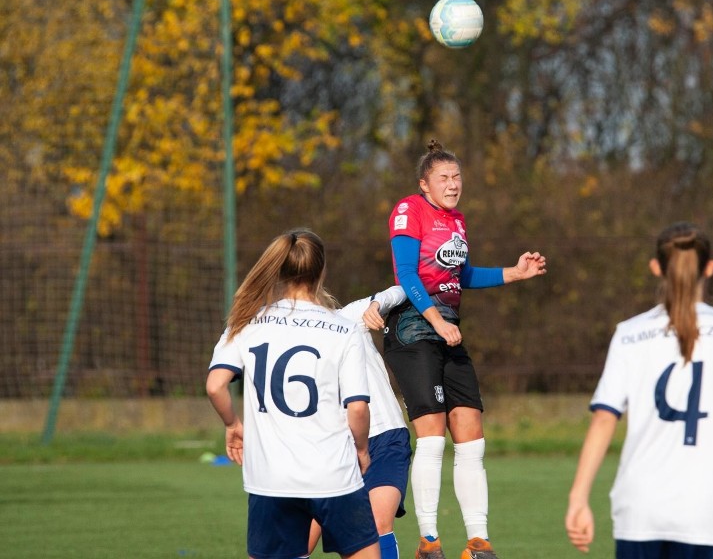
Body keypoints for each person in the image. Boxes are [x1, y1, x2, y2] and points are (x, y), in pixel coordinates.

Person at [565, 222, 713, 558]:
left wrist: (578, 497)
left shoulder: (629, 333)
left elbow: (604, 420)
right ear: (709, 269)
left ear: (656, 268)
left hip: (641, 513)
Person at [384, 139, 547, 559]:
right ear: (425, 184)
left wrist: (514, 272)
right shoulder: (409, 210)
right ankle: (429, 542)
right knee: (433, 437)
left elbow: (464, 274)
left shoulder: (457, 220)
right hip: (413, 327)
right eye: (444, 178)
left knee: (471, 433)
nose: (453, 184)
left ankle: (478, 542)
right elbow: (405, 272)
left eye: (457, 177)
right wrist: (435, 319)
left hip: (448, 329)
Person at [206, 228, 380, 559]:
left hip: (270, 479)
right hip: (334, 475)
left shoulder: (245, 323)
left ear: (280, 270)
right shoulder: (343, 329)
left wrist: (232, 424)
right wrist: (361, 449)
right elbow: (357, 408)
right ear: (322, 271)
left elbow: (215, 385)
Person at [307, 285, 413, 559]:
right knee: (300, 542)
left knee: (377, 525)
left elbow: (400, 290)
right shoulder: (296, 348)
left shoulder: (350, 316)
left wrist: (375, 306)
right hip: (335, 450)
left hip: (385, 437)